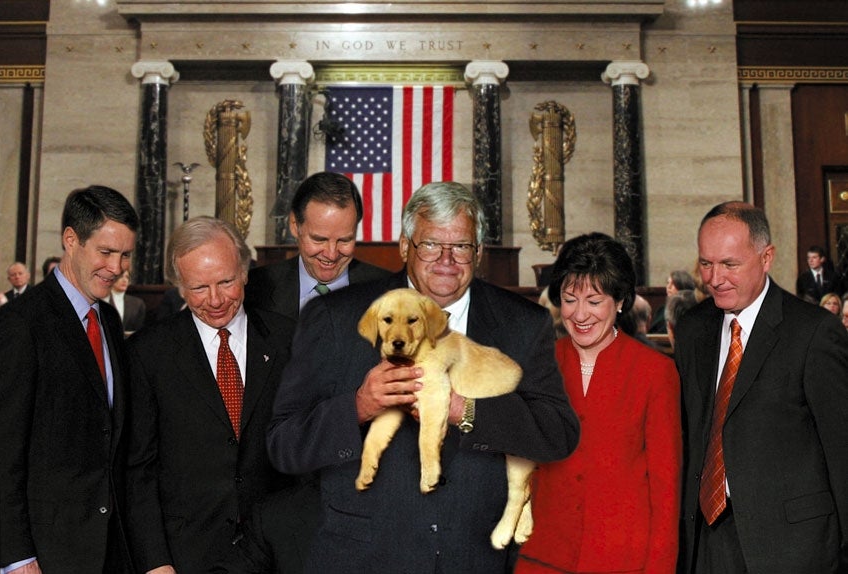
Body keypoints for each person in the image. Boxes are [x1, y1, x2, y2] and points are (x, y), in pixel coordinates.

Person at [266, 181, 580, 573]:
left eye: (461, 246)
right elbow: (284, 444)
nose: (446, 260)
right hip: (363, 558)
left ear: (478, 251)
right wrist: (358, 407)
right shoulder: (336, 318)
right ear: (404, 247)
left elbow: (557, 433)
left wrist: (466, 411)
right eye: (431, 244)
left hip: (476, 557)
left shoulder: (524, 324)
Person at [675, 201, 848, 573]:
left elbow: (843, 451)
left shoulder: (813, 332)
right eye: (706, 263)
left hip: (793, 548)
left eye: (729, 264)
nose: (714, 277)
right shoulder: (692, 330)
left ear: (766, 257)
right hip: (704, 542)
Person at [125, 216, 301, 574]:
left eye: (226, 281)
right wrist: (155, 561)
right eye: (199, 288)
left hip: (276, 553)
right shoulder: (149, 353)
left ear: (245, 273)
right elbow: (137, 470)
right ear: (178, 286)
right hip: (185, 555)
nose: (216, 300)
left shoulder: (289, 341)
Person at [515, 232, 681, 574]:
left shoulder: (655, 372)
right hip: (541, 559)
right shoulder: (537, 364)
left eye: (594, 300)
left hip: (622, 562)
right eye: (569, 299)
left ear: (620, 301)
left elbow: (666, 492)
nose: (580, 314)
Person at [0, 185, 139, 574]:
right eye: (106, 252)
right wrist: (17, 558)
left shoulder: (108, 321)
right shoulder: (20, 324)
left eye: (125, 255)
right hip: (46, 555)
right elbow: (3, 451)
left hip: (110, 550)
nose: (117, 267)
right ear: (71, 240)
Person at [245, 171, 390, 319]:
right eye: (319, 239)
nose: (332, 254)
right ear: (295, 226)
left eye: (344, 240)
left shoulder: (390, 292)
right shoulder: (252, 290)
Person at [649, 269, 696, 333]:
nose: (668, 287)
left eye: (673, 284)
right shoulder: (662, 310)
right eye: (668, 283)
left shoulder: (689, 309)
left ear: (683, 285)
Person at [109, 269, 146, 335]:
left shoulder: (137, 303)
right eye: (121, 276)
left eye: (127, 277)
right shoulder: (101, 300)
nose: (124, 280)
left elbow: (140, 330)